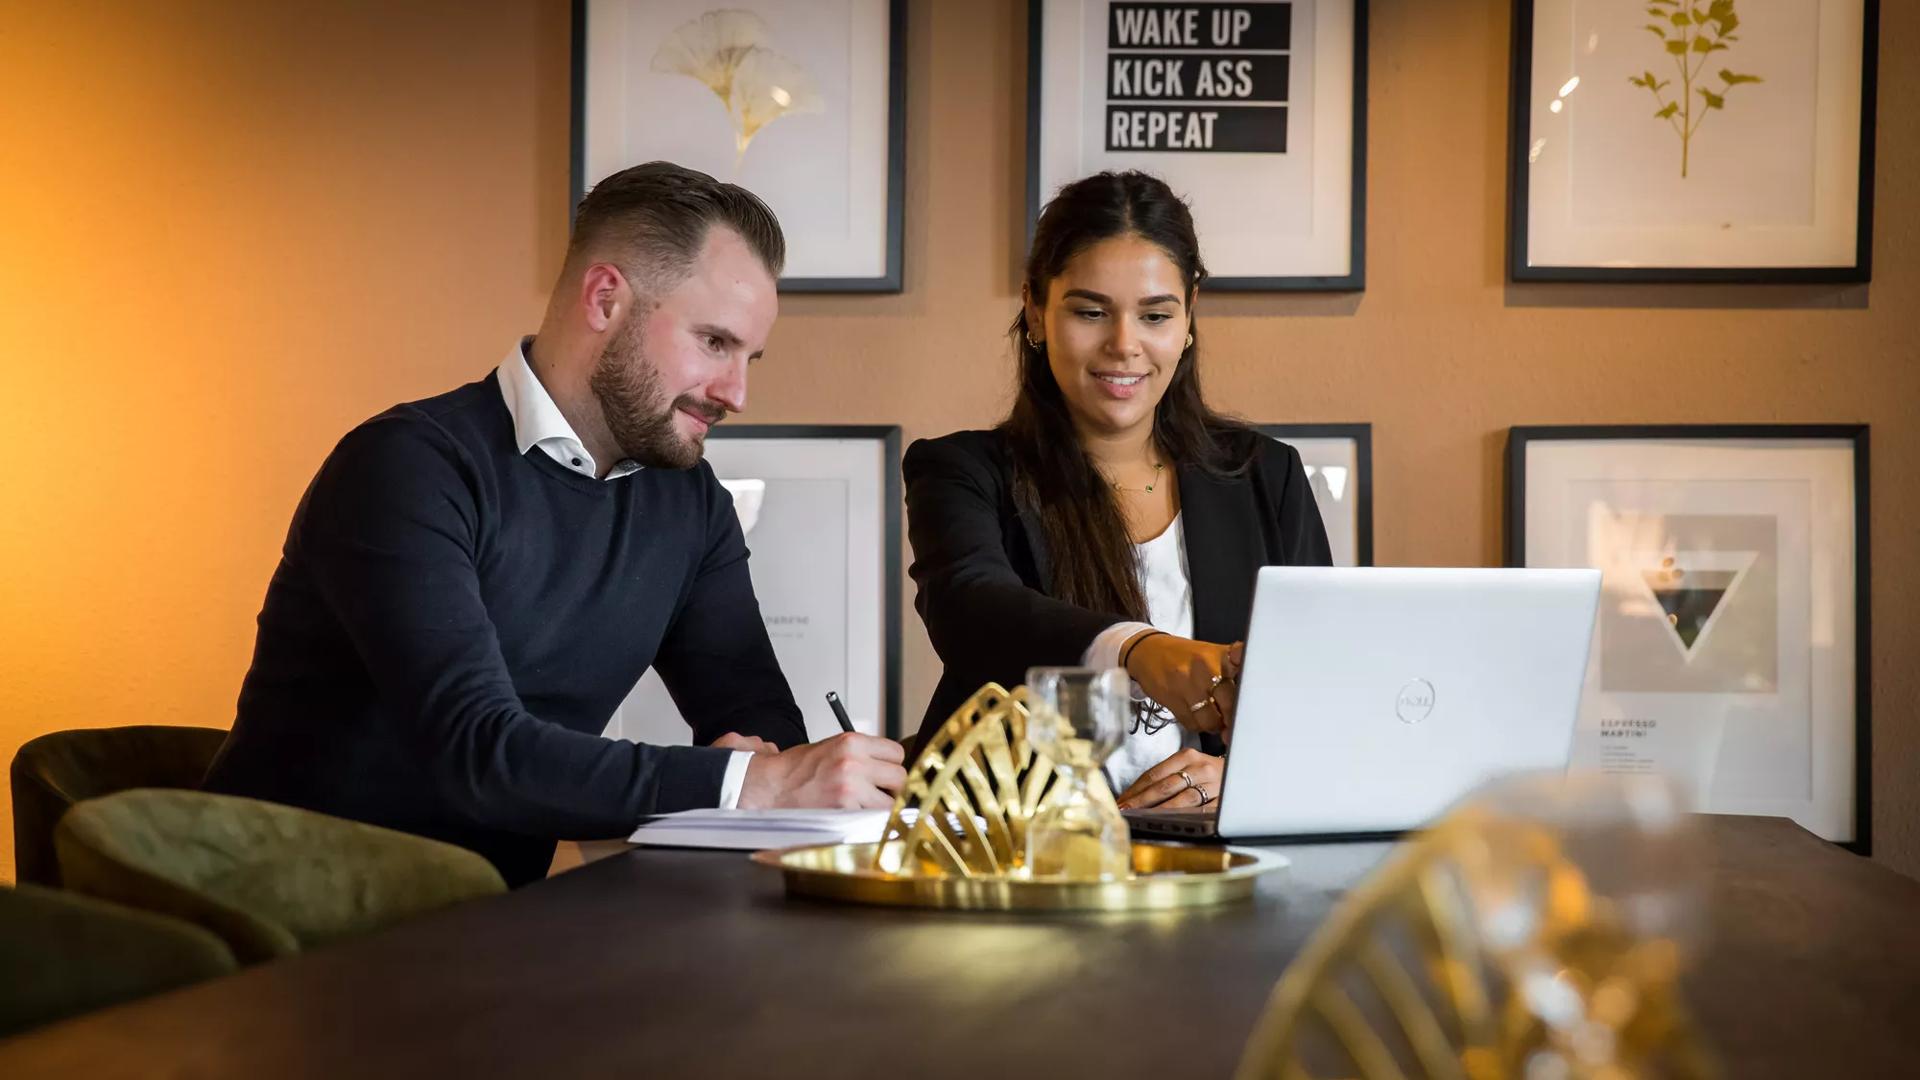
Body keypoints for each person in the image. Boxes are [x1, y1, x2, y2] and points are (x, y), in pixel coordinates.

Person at [204, 162, 905, 887]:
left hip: (488, 932)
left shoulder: (690, 503)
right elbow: (477, 753)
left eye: (750, 356)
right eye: (715, 343)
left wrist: (784, 776)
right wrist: (749, 783)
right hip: (276, 928)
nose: (737, 392)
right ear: (605, 299)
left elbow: (764, 733)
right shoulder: (407, 468)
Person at [902, 171, 1331, 812]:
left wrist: (1246, 781)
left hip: (1216, 866)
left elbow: (1323, 691)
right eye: (1090, 311)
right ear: (1036, 310)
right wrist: (1137, 650)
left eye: (1155, 315)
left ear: (1188, 318)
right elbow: (973, 607)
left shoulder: (1266, 476)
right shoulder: (963, 470)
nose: (1124, 345)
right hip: (1020, 860)